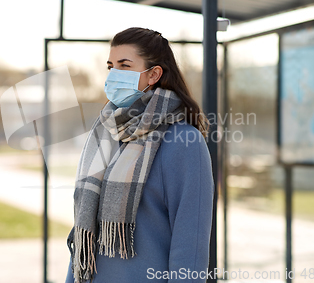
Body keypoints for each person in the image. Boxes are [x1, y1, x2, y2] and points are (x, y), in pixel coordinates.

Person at [65, 27, 214, 283]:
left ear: (154, 74)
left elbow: (190, 246)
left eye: (125, 66)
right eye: (111, 66)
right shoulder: (106, 133)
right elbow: (84, 232)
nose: (114, 75)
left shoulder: (185, 143)